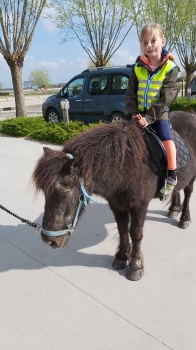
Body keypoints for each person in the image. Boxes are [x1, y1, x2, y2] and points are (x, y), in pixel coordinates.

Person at [126, 23, 179, 199]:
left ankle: (172, 175)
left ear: (162, 41)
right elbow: (131, 92)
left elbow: (167, 97)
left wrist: (149, 118)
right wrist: (134, 112)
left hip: (158, 114)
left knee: (165, 136)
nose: (149, 45)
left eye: (153, 40)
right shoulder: (137, 67)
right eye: (145, 42)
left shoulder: (170, 68)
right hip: (139, 113)